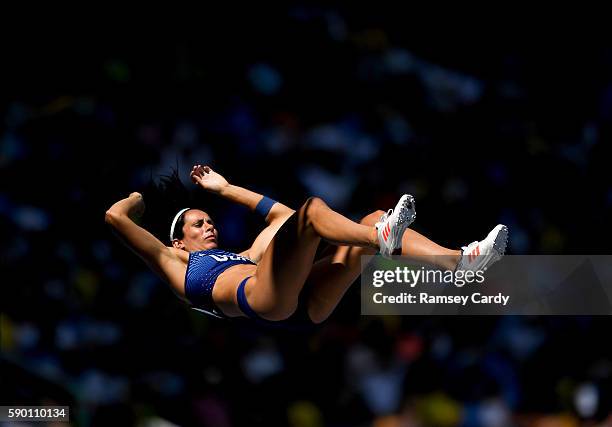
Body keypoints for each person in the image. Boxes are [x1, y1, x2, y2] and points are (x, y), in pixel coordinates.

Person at [105, 165, 507, 326]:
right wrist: (137, 199)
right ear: (179, 241)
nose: (209, 226)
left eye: (210, 220)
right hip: (264, 300)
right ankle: (380, 237)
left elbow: (282, 216)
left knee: (372, 217)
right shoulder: (175, 265)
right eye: (198, 223)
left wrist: (226, 189)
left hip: (298, 303)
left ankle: (459, 262)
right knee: (315, 210)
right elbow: (114, 217)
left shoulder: (244, 256)